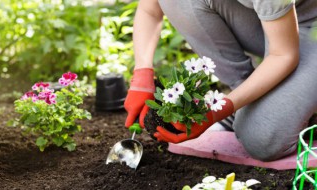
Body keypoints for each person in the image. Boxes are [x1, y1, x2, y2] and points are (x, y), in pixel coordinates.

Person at [123, 0, 317, 161]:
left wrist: (217, 112)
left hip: (310, 28)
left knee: (261, 139)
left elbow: (283, 55)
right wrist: (142, 74)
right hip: (274, 23)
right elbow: (150, 9)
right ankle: (247, 101)